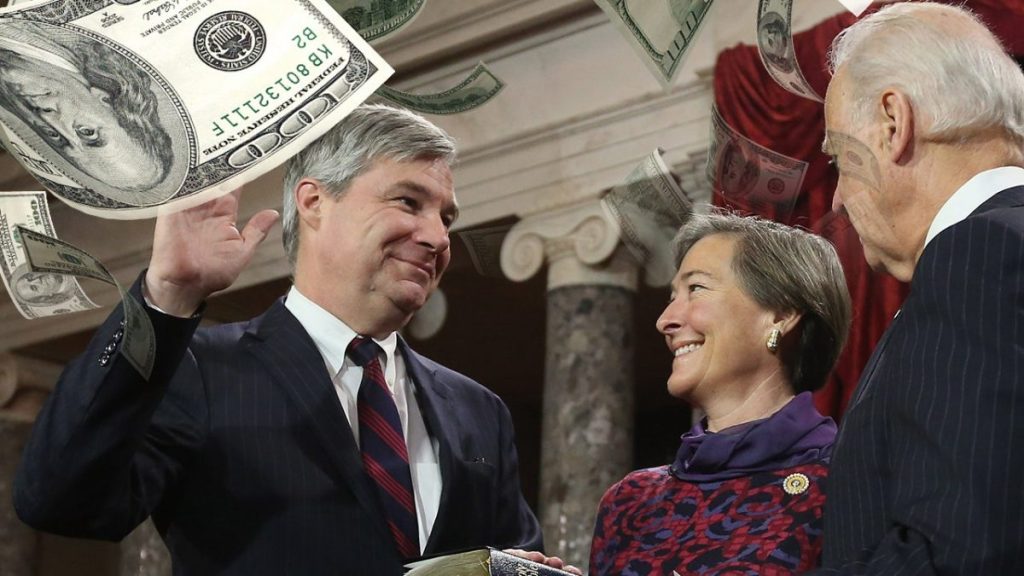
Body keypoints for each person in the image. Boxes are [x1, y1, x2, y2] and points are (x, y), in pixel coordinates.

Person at [14, 105, 551, 575]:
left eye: (446, 217)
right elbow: (61, 500)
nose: (437, 236)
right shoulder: (201, 370)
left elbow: (515, 558)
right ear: (314, 201)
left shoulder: (479, 409)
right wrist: (167, 294)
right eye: (409, 202)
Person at [818, 3, 1024, 573]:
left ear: (893, 123)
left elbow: (961, 553)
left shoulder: (979, 257)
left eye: (838, 158)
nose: (836, 199)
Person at [589, 212, 852, 575]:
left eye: (695, 288)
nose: (665, 320)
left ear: (780, 314)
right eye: (672, 296)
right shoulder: (630, 502)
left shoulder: (846, 482)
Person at [0, 20, 173, 198]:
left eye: (58, 140)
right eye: (88, 132)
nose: (50, 121)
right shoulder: (47, 28)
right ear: (106, 100)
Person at [11, 268, 76, 306]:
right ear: (44, 297)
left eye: (30, 277)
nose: (37, 279)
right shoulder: (73, 292)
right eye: (34, 287)